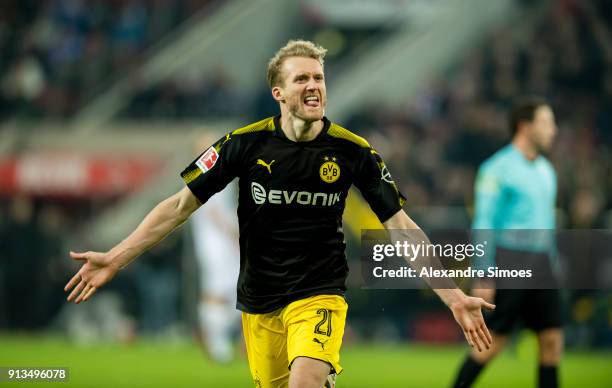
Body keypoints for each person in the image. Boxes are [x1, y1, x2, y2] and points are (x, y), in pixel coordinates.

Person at [65, 40, 494, 388]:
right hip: (259, 301)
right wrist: (115, 256)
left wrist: (453, 296)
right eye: (302, 78)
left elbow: (401, 226)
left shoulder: (353, 151)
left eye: (319, 78)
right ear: (279, 93)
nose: (314, 86)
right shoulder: (242, 144)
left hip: (320, 292)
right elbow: (178, 207)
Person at [452, 97, 562, 388]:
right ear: (525, 127)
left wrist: (552, 262)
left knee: (551, 340)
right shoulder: (496, 169)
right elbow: (484, 223)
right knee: (492, 343)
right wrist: (483, 272)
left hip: (542, 265)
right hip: (510, 261)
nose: (554, 130)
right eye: (547, 123)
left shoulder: (546, 172)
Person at [191, 181, 241, 363]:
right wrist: (232, 233)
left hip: (218, 240)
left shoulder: (223, 170)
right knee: (219, 291)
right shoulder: (211, 170)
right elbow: (213, 210)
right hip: (217, 241)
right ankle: (217, 341)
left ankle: (216, 337)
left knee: (228, 289)